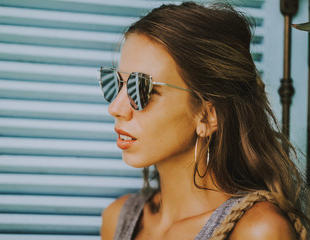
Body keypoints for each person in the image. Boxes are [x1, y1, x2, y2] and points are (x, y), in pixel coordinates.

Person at [98, 2, 309, 239]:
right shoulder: (117, 220)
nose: (115, 108)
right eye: (116, 83)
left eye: (141, 87)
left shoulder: (258, 230)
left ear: (208, 116)